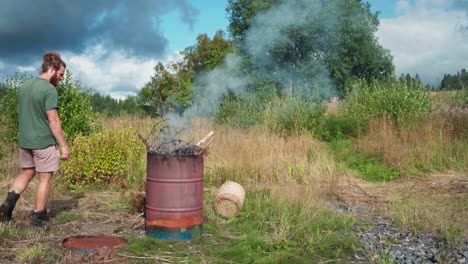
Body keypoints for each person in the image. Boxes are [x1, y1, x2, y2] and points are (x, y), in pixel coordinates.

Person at [0, 51, 70, 227]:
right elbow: (53, 121)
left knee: (27, 172)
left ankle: (7, 206)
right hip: (43, 142)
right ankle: (38, 219)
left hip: (25, 141)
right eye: (61, 74)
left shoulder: (24, 86)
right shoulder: (49, 89)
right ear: (53, 69)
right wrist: (64, 146)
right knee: (44, 179)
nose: (61, 78)